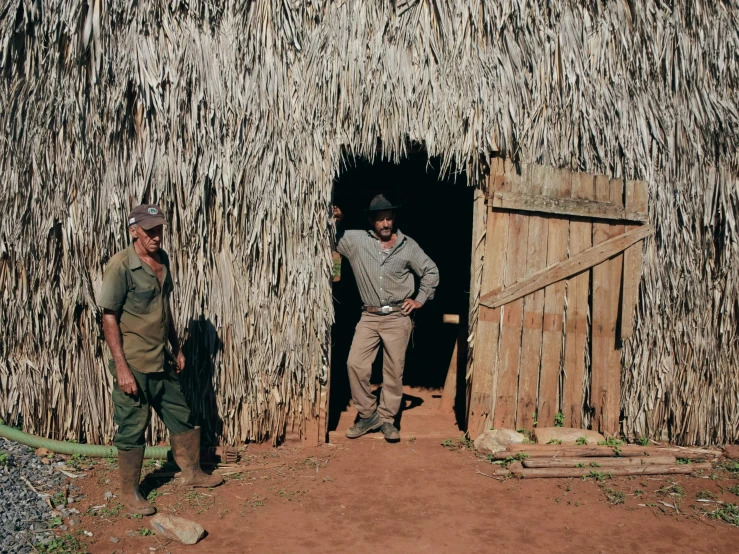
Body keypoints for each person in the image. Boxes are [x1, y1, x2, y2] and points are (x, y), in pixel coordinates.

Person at [99, 204, 223, 516]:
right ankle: (130, 492)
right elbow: (109, 319)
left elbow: (163, 307)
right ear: (133, 231)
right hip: (135, 363)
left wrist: (176, 346)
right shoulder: (120, 267)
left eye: (159, 229)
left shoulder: (162, 260)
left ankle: (192, 472)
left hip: (161, 358)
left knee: (180, 414)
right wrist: (123, 370)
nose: (156, 236)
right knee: (132, 427)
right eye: (149, 230)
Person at [333, 194, 439, 442]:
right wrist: (336, 219)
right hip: (368, 316)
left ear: (394, 219)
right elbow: (329, 239)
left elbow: (431, 270)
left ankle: (388, 419)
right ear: (371, 221)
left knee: (393, 371)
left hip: (397, 317)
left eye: (389, 218)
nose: (385, 224)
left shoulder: (407, 245)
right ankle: (369, 415)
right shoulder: (356, 240)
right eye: (380, 220)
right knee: (355, 364)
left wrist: (420, 299)